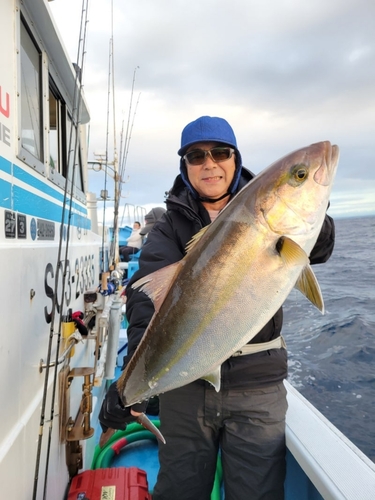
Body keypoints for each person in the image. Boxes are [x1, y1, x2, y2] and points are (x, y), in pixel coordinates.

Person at [99, 116, 335, 500]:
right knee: (179, 490)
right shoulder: (168, 228)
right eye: (196, 156)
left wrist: (311, 204)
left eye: (220, 153)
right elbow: (146, 306)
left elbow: (321, 246)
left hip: (256, 384)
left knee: (257, 492)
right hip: (187, 385)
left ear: (235, 160)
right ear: (185, 166)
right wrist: (130, 385)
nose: (209, 163)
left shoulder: (262, 209)